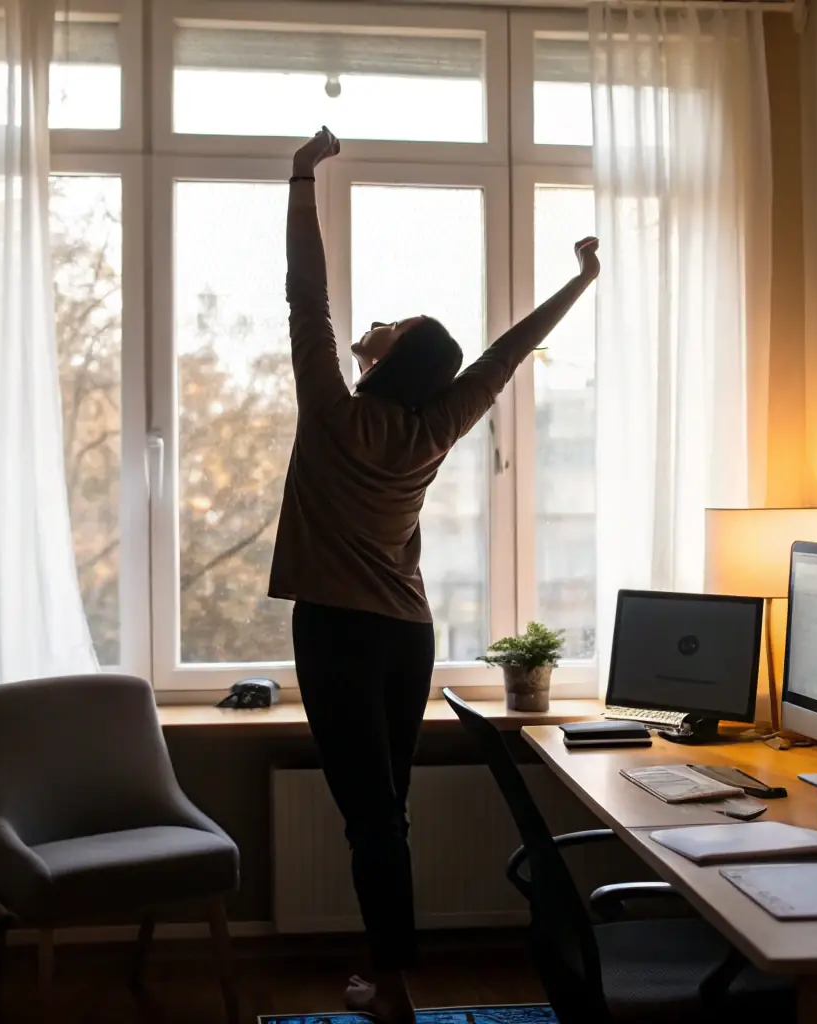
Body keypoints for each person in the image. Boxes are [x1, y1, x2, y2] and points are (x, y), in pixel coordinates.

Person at [268, 127, 599, 1024]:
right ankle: (393, 977)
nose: (382, 319)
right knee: (389, 814)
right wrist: (579, 281)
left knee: (370, 818)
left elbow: (309, 296)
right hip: (406, 636)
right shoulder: (434, 423)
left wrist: (302, 179)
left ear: (389, 358)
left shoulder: (331, 407)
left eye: (397, 323)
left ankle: (393, 990)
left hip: (336, 633)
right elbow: (506, 355)